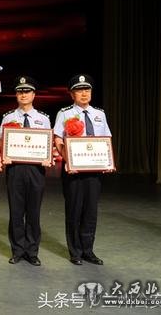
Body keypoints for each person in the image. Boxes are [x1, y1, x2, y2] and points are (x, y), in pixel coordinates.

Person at [53, 74, 112, 266]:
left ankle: (88, 250)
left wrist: (108, 162)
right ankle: (75, 251)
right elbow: (58, 139)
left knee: (90, 211)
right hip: (73, 171)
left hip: (94, 170)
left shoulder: (99, 114)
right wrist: (67, 160)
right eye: (79, 90)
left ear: (91, 92)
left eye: (87, 89)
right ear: (72, 94)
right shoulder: (64, 113)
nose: (84, 93)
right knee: (74, 210)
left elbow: (106, 140)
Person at [0, 76, 51, 266]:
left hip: (36, 170)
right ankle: (18, 250)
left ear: (34, 94)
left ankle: (32, 252)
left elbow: (49, 143)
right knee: (16, 211)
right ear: (16, 95)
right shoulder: (8, 117)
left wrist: (47, 156)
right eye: (20, 91)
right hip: (15, 169)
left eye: (27, 91)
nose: (23, 95)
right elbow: (0, 141)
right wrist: (3, 154)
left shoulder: (43, 119)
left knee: (34, 212)